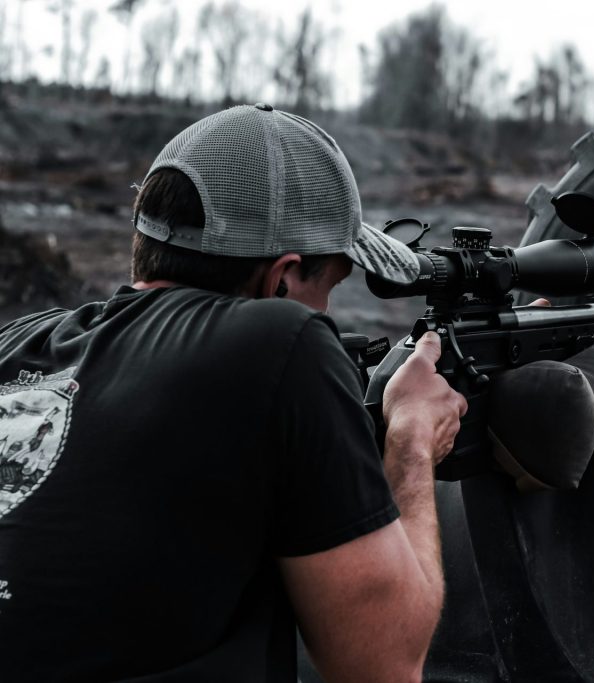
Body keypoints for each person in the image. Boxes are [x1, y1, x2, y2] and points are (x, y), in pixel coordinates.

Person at [0, 103, 467, 681]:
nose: (324, 314)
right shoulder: (283, 340)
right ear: (281, 278)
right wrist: (412, 439)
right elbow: (384, 665)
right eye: (329, 288)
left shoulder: (20, 341)